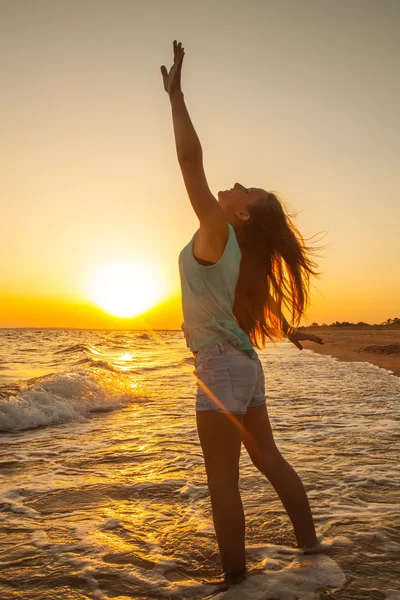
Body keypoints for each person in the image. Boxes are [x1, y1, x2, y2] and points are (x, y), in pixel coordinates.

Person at [161, 41, 326, 586]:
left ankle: (234, 586)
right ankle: (314, 555)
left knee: (223, 482)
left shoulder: (217, 232)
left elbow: (190, 163)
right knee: (269, 461)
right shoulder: (235, 249)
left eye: (242, 189)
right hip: (245, 367)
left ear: (241, 212)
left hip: (220, 366)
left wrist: (177, 98)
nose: (232, 185)